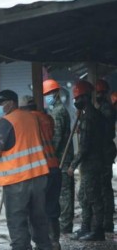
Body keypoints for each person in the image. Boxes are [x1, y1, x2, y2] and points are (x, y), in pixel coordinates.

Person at [0, 89, 52, 250]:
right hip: (38, 176)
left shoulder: (5, 122)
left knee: (17, 221)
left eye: (2, 103)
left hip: (17, 181)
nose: (0, 107)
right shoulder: (32, 118)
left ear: (12, 103)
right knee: (39, 218)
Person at [20, 95, 62, 250]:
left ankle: (37, 243)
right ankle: (55, 241)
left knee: (34, 208)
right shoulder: (47, 118)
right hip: (53, 166)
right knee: (52, 206)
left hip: (38, 169)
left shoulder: (26, 121)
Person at [69, 81, 106, 241]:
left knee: (93, 197)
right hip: (90, 163)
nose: (76, 102)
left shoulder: (90, 117)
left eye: (78, 98)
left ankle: (98, 231)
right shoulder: (87, 115)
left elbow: (84, 146)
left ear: (85, 97)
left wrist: (73, 165)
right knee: (83, 196)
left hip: (92, 162)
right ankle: (86, 228)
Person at [43, 79, 75, 234]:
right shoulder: (56, 110)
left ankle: (65, 225)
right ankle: (65, 224)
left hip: (62, 158)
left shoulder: (58, 112)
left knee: (64, 193)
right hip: (61, 157)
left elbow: (57, 137)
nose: (47, 97)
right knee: (63, 192)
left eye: (49, 94)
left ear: (55, 93)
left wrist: (50, 155)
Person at [95, 79, 116, 233]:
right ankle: (105, 220)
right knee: (103, 186)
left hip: (105, 150)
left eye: (101, 93)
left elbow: (103, 131)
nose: (99, 95)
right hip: (103, 150)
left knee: (105, 186)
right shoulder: (103, 107)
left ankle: (107, 221)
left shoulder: (106, 109)